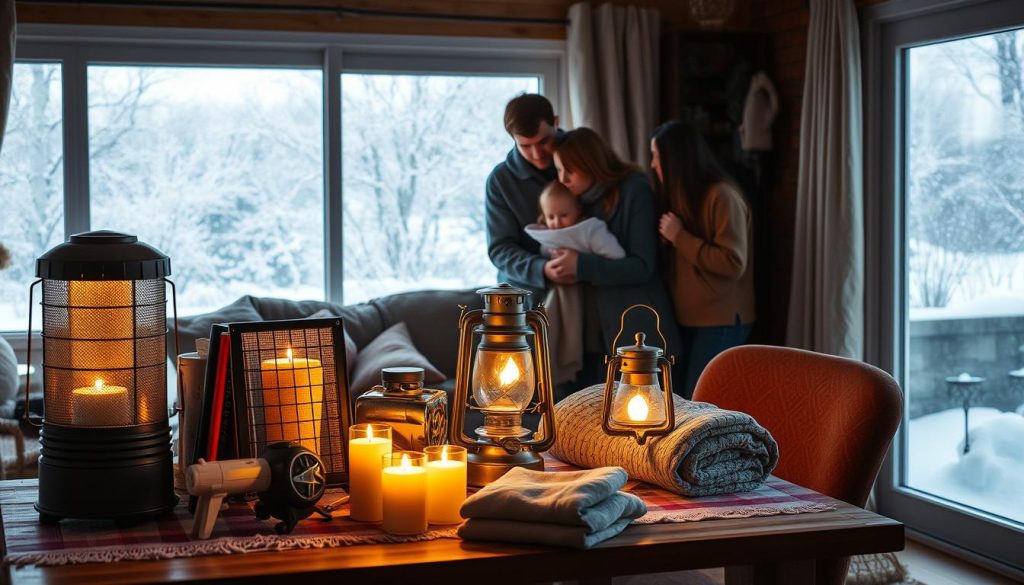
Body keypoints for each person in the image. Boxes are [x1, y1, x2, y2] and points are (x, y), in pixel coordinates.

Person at [546, 127, 682, 392]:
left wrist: (580, 265)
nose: (562, 180)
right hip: (598, 333)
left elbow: (643, 267)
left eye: (568, 171)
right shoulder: (581, 199)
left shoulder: (634, 190)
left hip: (639, 326)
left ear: (590, 164)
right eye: (558, 171)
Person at [651, 120, 755, 397]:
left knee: (700, 405)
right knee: (683, 401)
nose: (652, 164)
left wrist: (680, 237)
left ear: (675, 161)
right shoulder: (684, 198)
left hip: (720, 321)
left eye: (657, 157)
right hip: (689, 320)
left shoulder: (722, 196)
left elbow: (732, 262)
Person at [524, 182, 626, 385]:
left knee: (592, 359)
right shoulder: (545, 234)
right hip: (562, 299)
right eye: (550, 217)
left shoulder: (590, 230)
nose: (557, 223)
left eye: (564, 215)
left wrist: (581, 263)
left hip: (594, 303)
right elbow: (545, 252)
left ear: (578, 211)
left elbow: (616, 256)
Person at [485, 93, 568, 301]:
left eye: (543, 141)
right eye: (525, 146)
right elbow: (500, 249)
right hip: (524, 299)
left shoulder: (584, 160)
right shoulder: (500, 180)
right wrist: (542, 269)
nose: (537, 154)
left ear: (556, 123)